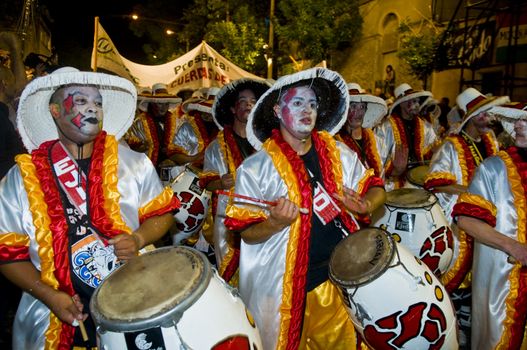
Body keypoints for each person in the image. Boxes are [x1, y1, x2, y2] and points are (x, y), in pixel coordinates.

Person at [0, 67, 179, 349]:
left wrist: (138, 239)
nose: (92, 109)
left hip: (134, 303)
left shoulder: (133, 163)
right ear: (55, 110)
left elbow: (162, 213)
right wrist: (49, 296)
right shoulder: (21, 178)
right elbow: (9, 256)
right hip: (51, 313)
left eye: (97, 102)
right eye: (80, 101)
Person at [225, 68, 386, 350]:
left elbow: (376, 186)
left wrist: (367, 203)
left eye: (312, 104)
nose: (307, 110)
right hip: (280, 291)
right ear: (277, 110)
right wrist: (274, 222)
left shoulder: (337, 152)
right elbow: (245, 233)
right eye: (297, 103)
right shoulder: (254, 169)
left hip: (338, 282)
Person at [423, 87, 509, 348]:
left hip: (489, 220)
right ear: (470, 117)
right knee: (456, 277)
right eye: (483, 116)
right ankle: (452, 327)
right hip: (458, 221)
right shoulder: (452, 146)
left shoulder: (491, 141)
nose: (489, 120)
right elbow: (435, 181)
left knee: (483, 274)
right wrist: (473, 193)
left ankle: (475, 327)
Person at [452, 102, 527, 350]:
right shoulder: (494, 168)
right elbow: (465, 219)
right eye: (517, 120)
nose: (517, 125)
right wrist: (514, 247)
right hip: (504, 285)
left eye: (524, 120)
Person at [202, 78, 270, 284]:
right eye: (242, 101)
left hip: (264, 218)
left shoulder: (268, 144)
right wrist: (221, 183)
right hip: (227, 220)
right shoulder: (216, 146)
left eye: (253, 101)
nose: (248, 104)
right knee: (232, 278)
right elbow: (206, 183)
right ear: (233, 108)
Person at [375, 83, 438, 190]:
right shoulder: (386, 128)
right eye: (413, 101)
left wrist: (436, 150)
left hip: (420, 180)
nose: (417, 105)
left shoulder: (425, 125)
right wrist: (395, 169)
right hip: (395, 182)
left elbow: (430, 150)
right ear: (402, 104)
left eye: (418, 101)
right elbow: (378, 157)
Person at [335, 83, 387, 178]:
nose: (358, 113)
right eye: (353, 106)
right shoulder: (336, 144)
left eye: (362, 107)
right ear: (344, 110)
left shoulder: (376, 141)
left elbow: (383, 173)